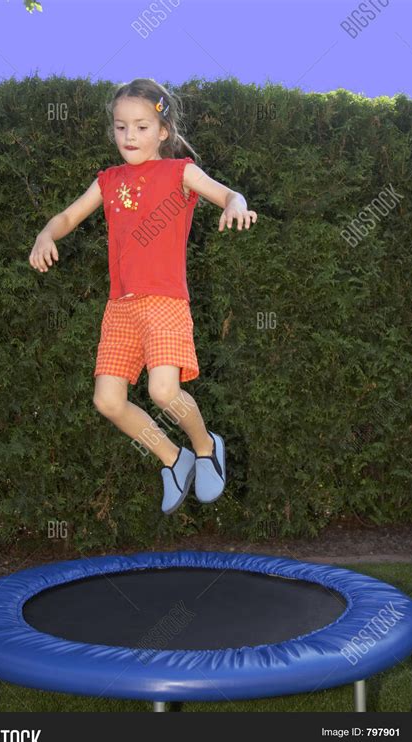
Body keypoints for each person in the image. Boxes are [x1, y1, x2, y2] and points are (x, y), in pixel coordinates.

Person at [29, 78, 257, 516]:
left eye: (140, 127)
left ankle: (206, 445)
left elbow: (229, 193)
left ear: (163, 130)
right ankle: (173, 459)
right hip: (120, 307)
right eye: (120, 128)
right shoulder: (109, 180)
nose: (129, 137)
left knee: (163, 390)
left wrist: (233, 205)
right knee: (108, 401)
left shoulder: (179, 172)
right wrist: (45, 234)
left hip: (165, 302)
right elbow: (68, 216)